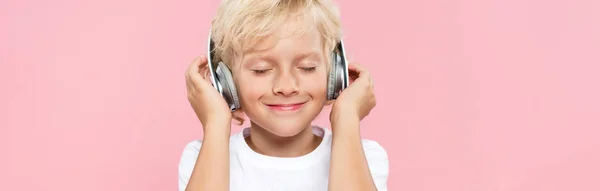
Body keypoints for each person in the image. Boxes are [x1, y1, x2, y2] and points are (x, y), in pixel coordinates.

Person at [178, 0, 389, 190]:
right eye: (261, 70)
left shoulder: (364, 156)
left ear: (334, 73)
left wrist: (347, 117)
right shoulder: (203, 156)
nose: (286, 87)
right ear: (226, 81)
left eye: (307, 67)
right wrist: (215, 122)